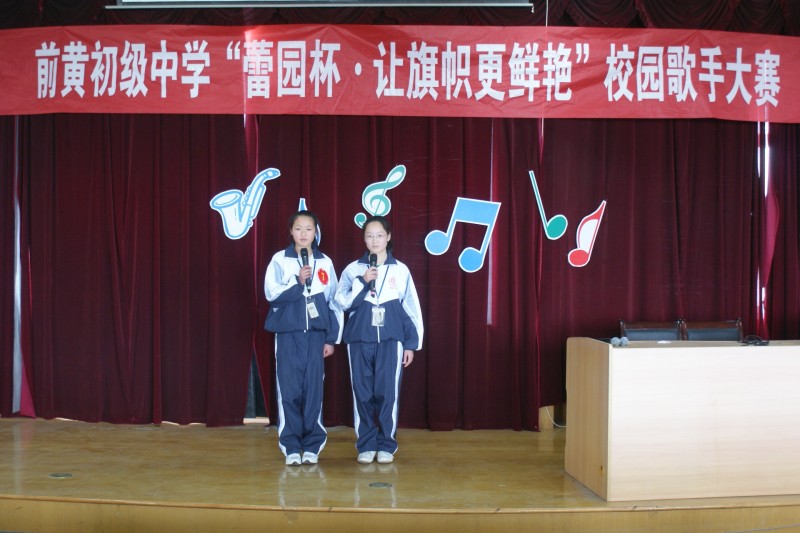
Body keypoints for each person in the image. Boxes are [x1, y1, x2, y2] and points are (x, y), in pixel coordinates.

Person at [335, 215, 423, 464]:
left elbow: (411, 308)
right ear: (364, 239)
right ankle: (365, 444)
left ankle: (386, 444)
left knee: (387, 393)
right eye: (370, 236)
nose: (375, 241)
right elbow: (341, 302)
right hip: (359, 339)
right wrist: (363, 282)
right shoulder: (353, 269)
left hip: (391, 340)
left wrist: (411, 344)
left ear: (388, 237)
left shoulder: (400, 270)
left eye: (379, 235)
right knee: (362, 393)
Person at [264, 210, 343, 466]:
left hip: (316, 338)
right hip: (289, 336)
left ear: (315, 232)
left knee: (313, 391)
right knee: (289, 391)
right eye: (298, 228)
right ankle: (290, 446)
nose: (303, 234)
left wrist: (331, 339)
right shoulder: (280, 260)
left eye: (308, 229)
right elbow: (271, 294)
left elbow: (334, 302)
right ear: (291, 231)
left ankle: (312, 446)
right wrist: (298, 282)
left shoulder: (325, 262)